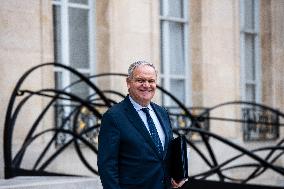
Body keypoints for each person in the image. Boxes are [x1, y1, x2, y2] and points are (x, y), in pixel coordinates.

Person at [97, 61, 186, 189]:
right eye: (140, 80)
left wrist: (176, 176)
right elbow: (107, 165)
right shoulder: (113, 116)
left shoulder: (162, 113)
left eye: (151, 81)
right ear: (128, 82)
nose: (146, 85)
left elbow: (165, 154)